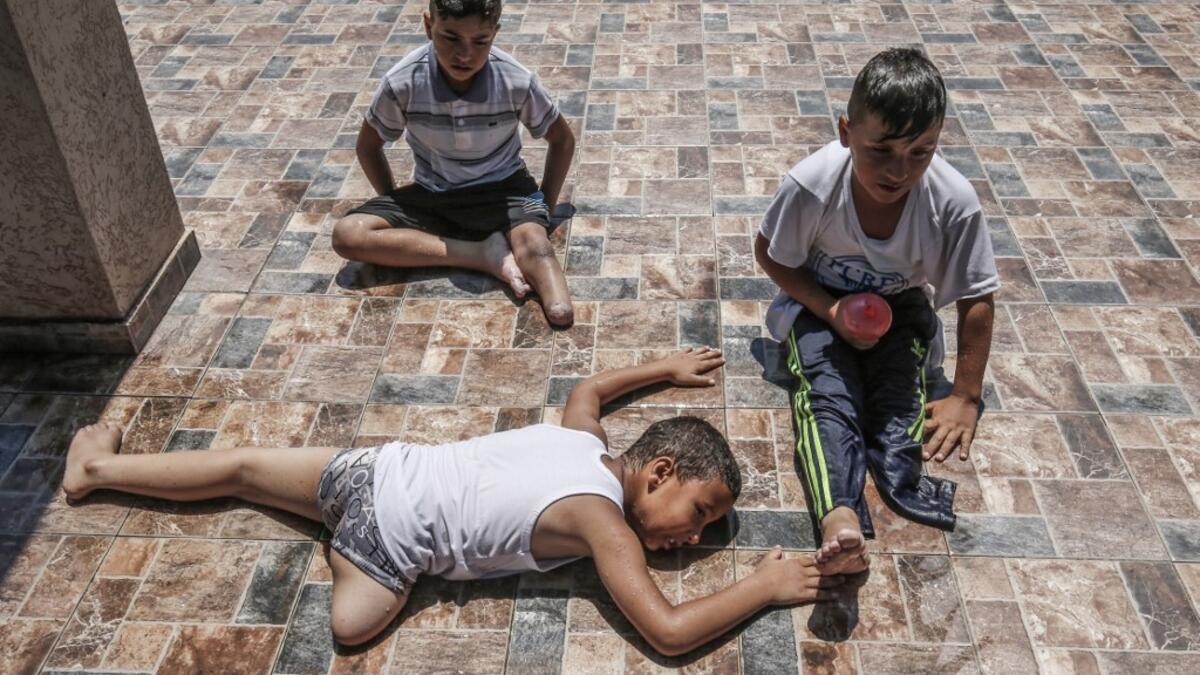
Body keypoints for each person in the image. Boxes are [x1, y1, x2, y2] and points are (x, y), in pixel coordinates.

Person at [62, 348, 844, 655]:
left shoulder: (582, 439)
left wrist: (662, 368)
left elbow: (588, 388)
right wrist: (764, 586)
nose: (694, 537)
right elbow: (668, 633)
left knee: (239, 467)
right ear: (659, 471)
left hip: (377, 466)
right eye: (701, 513)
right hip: (388, 540)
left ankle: (96, 468)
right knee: (352, 626)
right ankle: (346, 553)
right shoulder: (605, 523)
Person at [754, 47, 1000, 574]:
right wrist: (830, 310)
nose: (898, 170)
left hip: (901, 308)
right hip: (817, 301)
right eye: (881, 149)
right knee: (828, 394)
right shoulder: (812, 186)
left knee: (895, 402)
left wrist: (965, 396)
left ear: (938, 141)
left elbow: (977, 296)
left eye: (920, 151)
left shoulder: (953, 203)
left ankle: (900, 479)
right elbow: (770, 253)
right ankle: (838, 514)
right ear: (846, 132)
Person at [330, 0, 577, 327]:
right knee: (347, 235)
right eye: (451, 37)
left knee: (551, 286)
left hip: (507, 191)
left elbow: (562, 140)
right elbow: (368, 146)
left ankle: (483, 249)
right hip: (434, 193)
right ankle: (481, 255)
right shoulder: (403, 82)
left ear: (495, 34)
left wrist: (544, 206)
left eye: (480, 41)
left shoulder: (515, 79)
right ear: (428, 26)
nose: (465, 54)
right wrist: (392, 201)